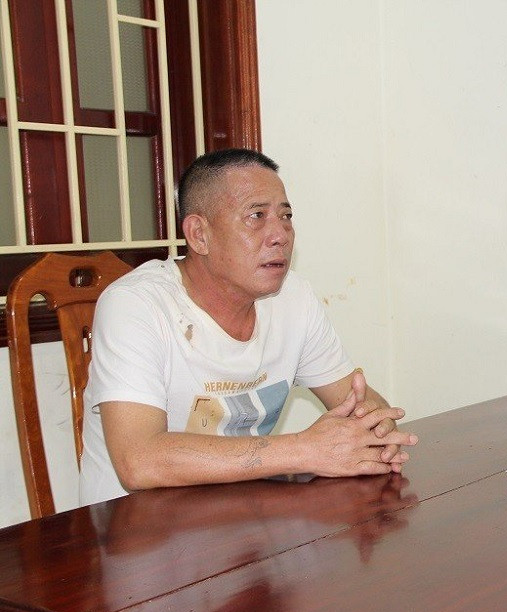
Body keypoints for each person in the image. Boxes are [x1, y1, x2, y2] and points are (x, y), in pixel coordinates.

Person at [80, 148, 417, 505]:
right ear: (199, 235)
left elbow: (361, 402)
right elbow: (139, 461)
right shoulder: (136, 305)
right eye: (256, 216)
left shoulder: (293, 298)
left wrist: (374, 433)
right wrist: (305, 450)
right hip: (136, 526)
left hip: (244, 515)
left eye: (286, 216)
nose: (280, 235)